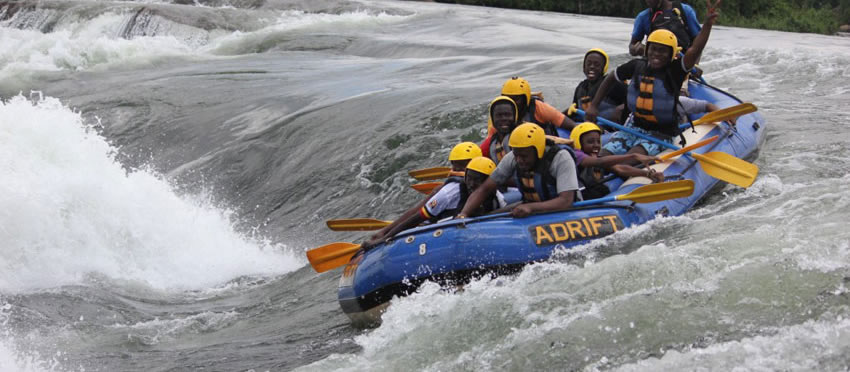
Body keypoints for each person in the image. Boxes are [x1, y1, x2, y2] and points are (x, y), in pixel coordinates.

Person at [586, 0, 721, 157]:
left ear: (671, 54)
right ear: (647, 49)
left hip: (661, 133)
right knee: (603, 155)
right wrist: (594, 105)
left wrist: (708, 24)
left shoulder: (675, 70)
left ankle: (685, 126)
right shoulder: (636, 65)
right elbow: (611, 77)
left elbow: (695, 48)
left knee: (631, 157)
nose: (656, 54)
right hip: (633, 128)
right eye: (653, 49)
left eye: (663, 51)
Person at [363, 156, 500, 248]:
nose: (471, 184)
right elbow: (417, 216)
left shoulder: (497, 197)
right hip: (435, 229)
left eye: (477, 180)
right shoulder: (450, 192)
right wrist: (387, 236)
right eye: (469, 178)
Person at [458, 123, 580, 219]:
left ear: (538, 150)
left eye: (524, 156)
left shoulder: (560, 158)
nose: (519, 160)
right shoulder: (513, 157)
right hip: (531, 207)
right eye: (516, 155)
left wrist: (531, 208)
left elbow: (566, 201)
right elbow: (485, 188)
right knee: (485, 217)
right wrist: (464, 214)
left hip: (567, 211)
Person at [570, 122, 664, 199]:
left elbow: (620, 169)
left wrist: (649, 174)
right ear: (579, 143)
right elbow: (600, 162)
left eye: (598, 141)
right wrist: (634, 156)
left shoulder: (595, 157)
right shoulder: (576, 155)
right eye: (590, 142)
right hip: (577, 197)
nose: (596, 145)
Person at [567, 48, 628, 124]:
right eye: (588, 64)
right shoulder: (581, 87)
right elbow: (573, 110)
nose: (592, 67)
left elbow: (634, 99)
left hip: (609, 129)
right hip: (585, 126)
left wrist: (621, 108)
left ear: (604, 68)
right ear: (583, 67)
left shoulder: (613, 84)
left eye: (597, 64)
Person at [500, 77, 576, 134]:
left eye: (516, 99)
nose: (511, 103)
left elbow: (572, 126)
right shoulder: (497, 113)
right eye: (507, 98)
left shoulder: (539, 107)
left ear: (525, 99)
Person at [629, 0, 701, 57]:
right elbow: (632, 46)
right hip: (655, 65)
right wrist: (636, 48)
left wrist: (695, 65)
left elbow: (699, 41)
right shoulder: (643, 17)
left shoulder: (685, 11)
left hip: (682, 64)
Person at [480, 96, 518, 164]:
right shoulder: (488, 145)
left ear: (515, 116)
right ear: (492, 119)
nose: (503, 118)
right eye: (499, 115)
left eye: (508, 115)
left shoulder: (525, 135)